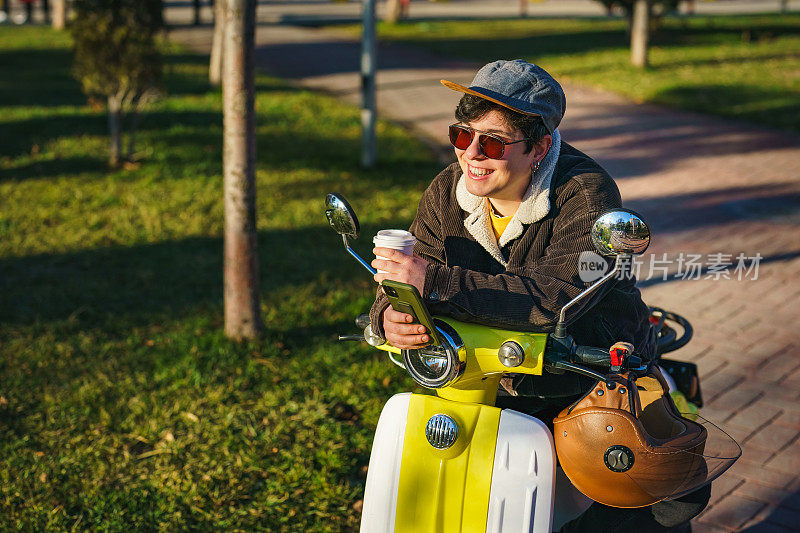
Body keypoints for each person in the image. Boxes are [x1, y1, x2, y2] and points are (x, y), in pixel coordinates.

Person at [368, 59, 709, 532]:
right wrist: (390, 313)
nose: (471, 155)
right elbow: (415, 267)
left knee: (623, 499)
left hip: (581, 376)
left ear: (540, 147)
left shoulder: (586, 194)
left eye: (491, 142)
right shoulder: (448, 188)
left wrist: (439, 282)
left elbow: (556, 298)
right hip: (480, 374)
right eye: (462, 136)